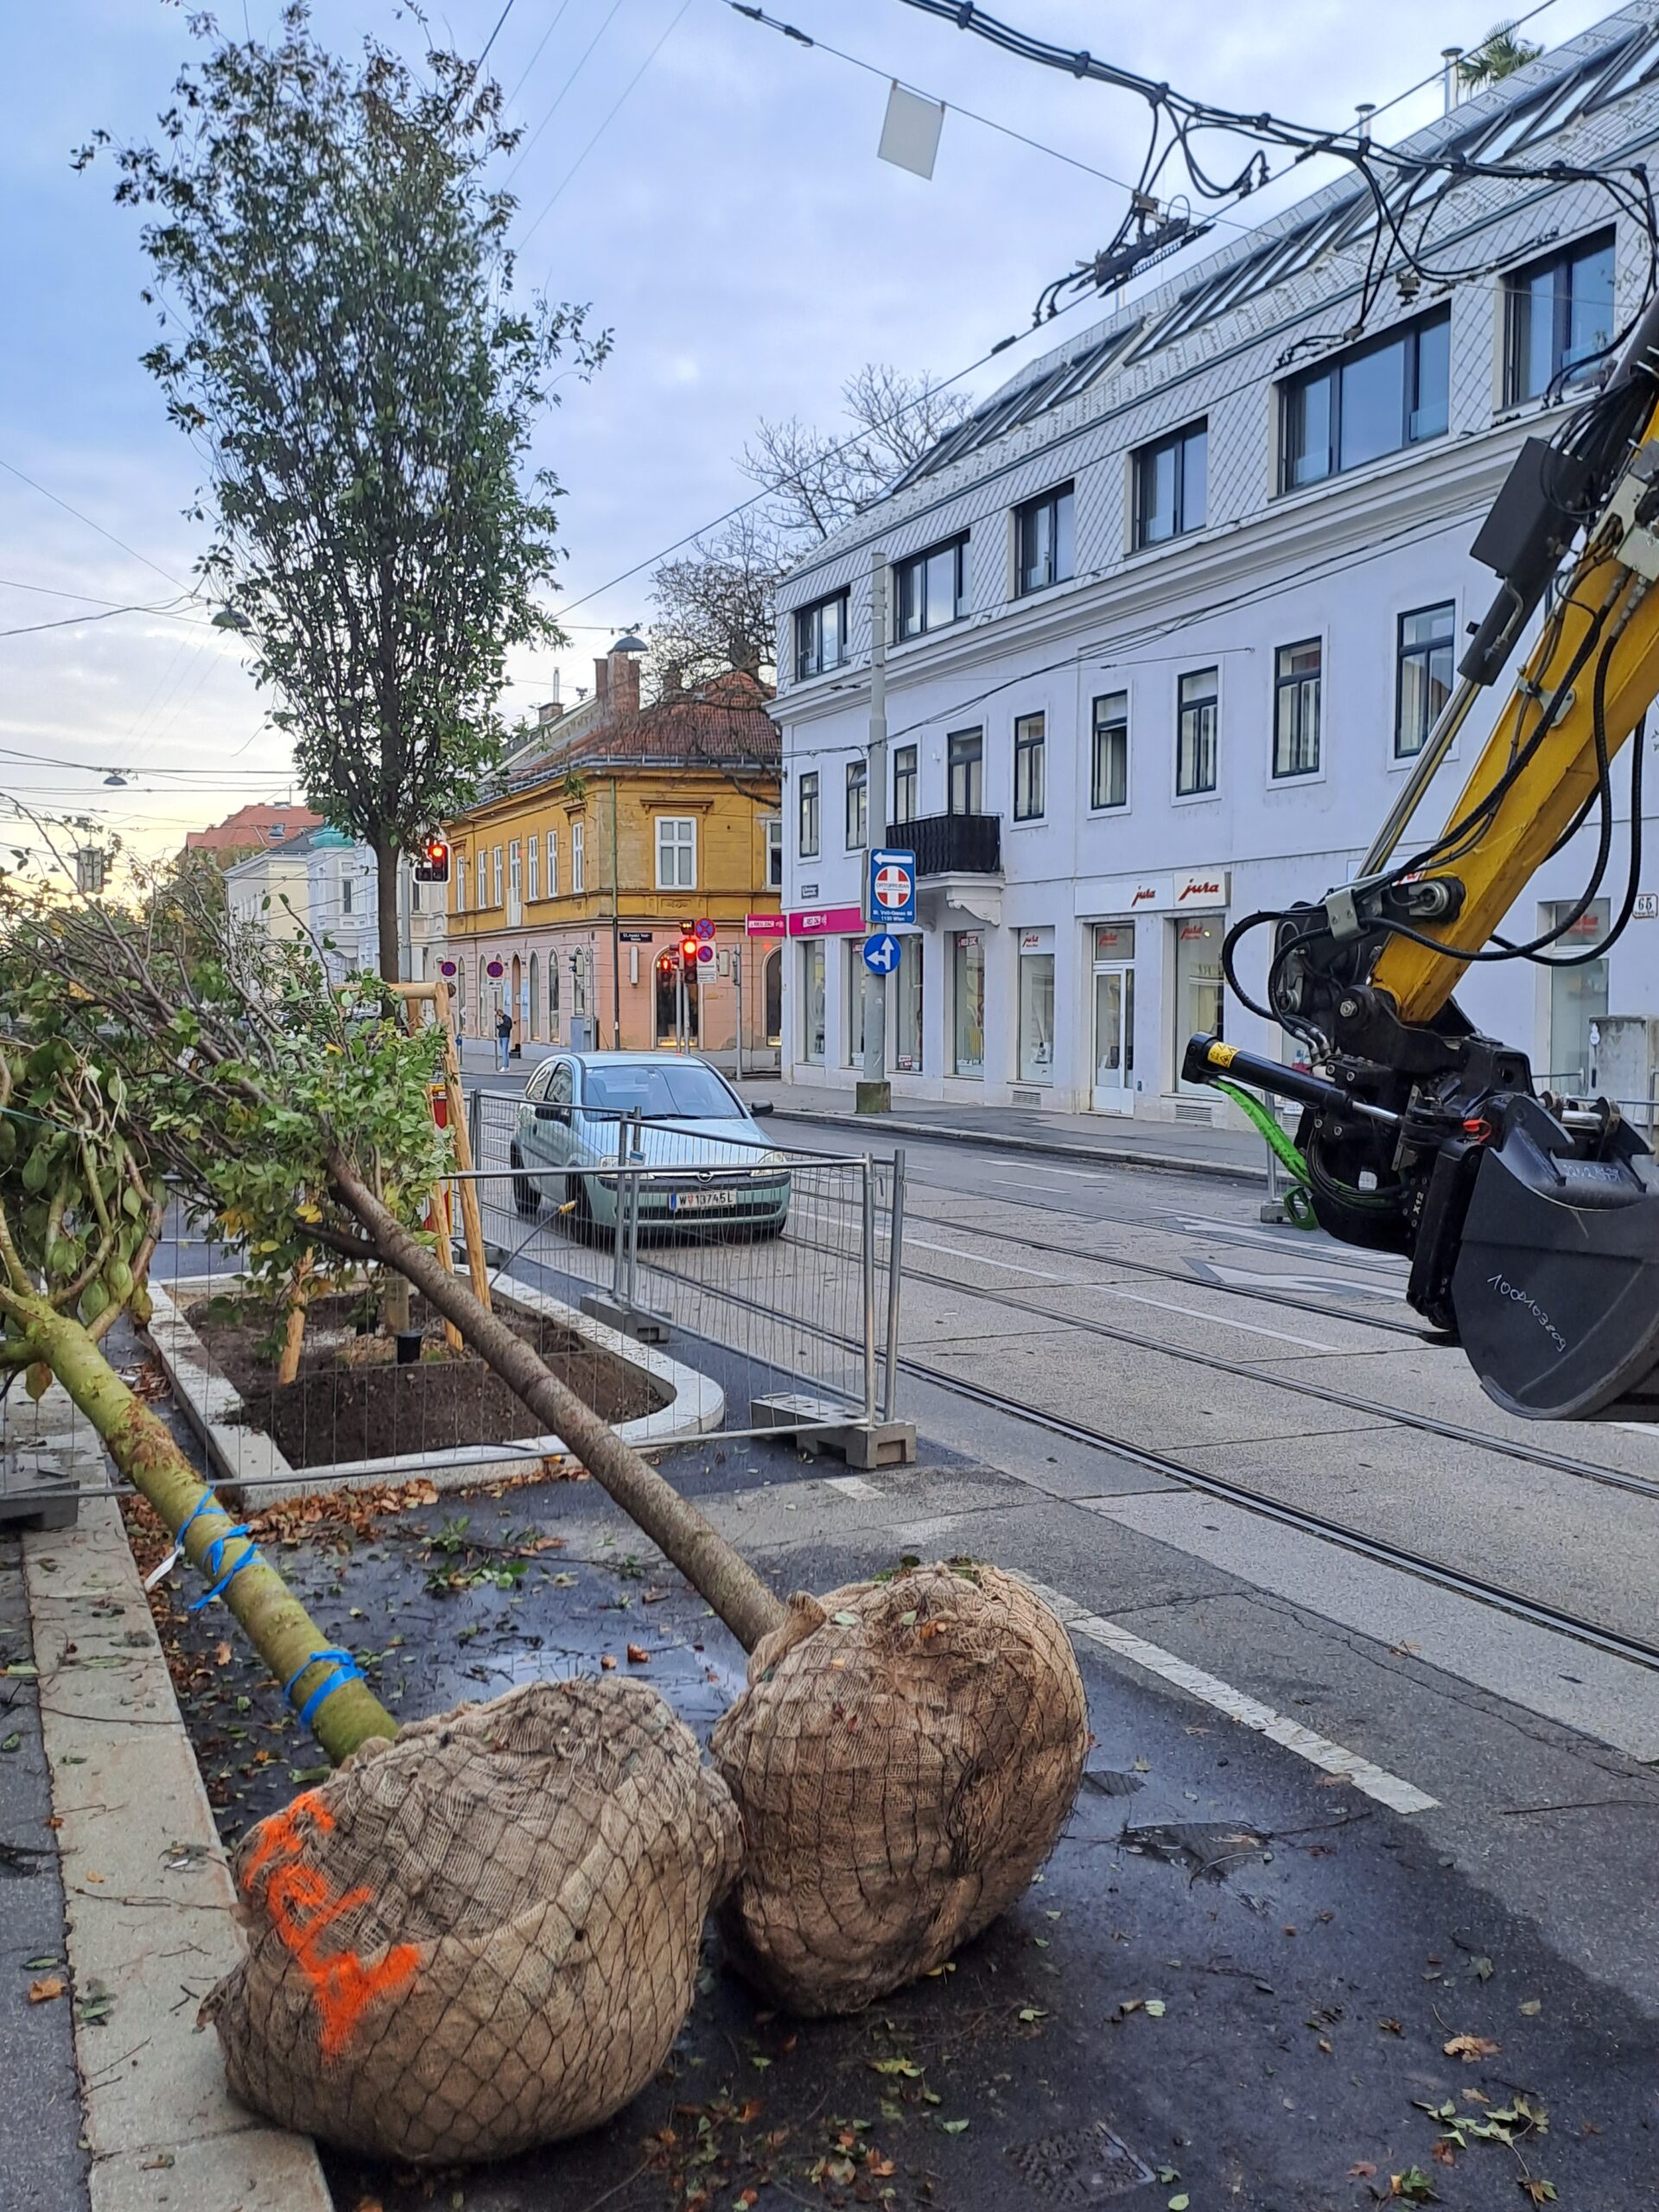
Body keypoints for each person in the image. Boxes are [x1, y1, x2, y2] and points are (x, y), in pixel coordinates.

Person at [495, 1002, 512, 1073]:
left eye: (499, 1014)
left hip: (505, 1036)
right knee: (504, 1052)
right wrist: (498, 1025)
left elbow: (509, 1027)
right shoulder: (501, 1019)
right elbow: (500, 1027)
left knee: (504, 1052)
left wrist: (503, 1023)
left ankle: (505, 1066)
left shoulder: (507, 1018)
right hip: (501, 1036)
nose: (499, 1016)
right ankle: (506, 1066)